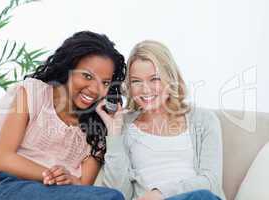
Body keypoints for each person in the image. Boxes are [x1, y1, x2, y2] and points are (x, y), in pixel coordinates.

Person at [0, 31, 126, 200]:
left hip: (58, 193)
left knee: (113, 197)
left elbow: (83, 187)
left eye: (105, 82)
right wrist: (51, 175)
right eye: (87, 76)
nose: (95, 89)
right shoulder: (33, 94)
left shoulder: (96, 128)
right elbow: (2, 159)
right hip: (7, 186)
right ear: (68, 68)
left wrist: (70, 180)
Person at [96, 40, 226, 200]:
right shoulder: (124, 125)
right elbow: (117, 194)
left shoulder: (203, 120)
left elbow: (211, 182)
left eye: (154, 79)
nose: (145, 89)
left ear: (170, 78)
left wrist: (161, 193)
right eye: (136, 81)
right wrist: (114, 135)